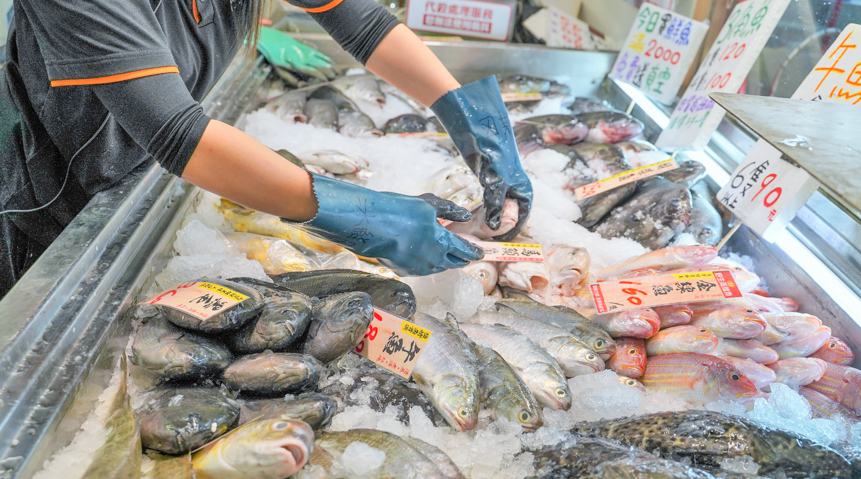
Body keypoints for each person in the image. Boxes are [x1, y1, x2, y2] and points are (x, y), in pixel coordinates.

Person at [0, 0, 532, 297]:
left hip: (142, 172)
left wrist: (472, 120)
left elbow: (364, 22)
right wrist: (363, 213)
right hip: (47, 204)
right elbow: (177, 133)